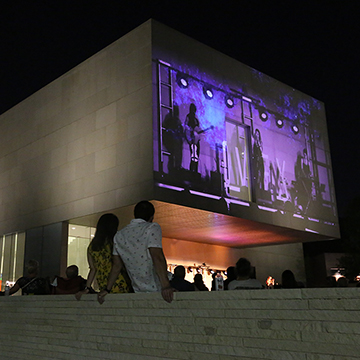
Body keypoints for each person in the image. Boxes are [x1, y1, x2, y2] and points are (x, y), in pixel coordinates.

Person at [98, 201, 174, 303]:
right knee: (191, 288)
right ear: (151, 217)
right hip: (159, 284)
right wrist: (166, 286)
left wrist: (107, 289)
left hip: (139, 288)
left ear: (135, 214)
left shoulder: (119, 235)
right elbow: (157, 256)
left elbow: (116, 266)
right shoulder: (152, 228)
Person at [75, 213, 131, 300]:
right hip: (119, 283)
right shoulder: (115, 242)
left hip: (103, 285)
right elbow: (118, 266)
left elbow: (93, 269)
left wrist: (87, 288)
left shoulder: (93, 246)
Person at [163, 104, 183, 172]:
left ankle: (177, 167)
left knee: (176, 155)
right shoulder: (169, 117)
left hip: (176, 140)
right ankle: (172, 169)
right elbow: (166, 127)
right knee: (172, 155)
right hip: (171, 140)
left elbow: (180, 130)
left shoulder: (177, 120)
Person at [184, 103, 201, 172]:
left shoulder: (196, 118)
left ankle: (196, 170)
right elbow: (186, 126)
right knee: (193, 155)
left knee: (197, 155)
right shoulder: (188, 116)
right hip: (191, 139)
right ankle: (191, 170)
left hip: (197, 139)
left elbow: (198, 128)